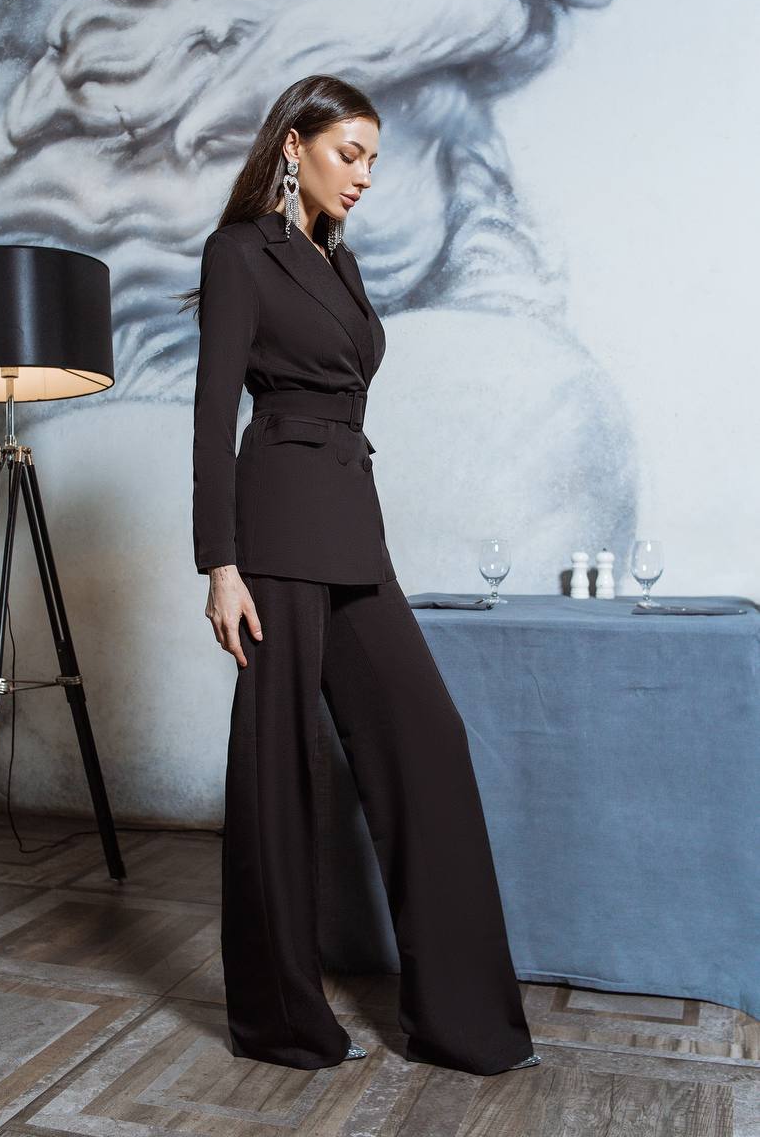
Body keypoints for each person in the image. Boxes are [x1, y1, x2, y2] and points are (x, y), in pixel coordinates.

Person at [181, 73, 540, 1076]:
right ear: (292, 146)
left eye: (373, 159)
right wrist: (219, 563)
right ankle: (283, 1021)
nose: (365, 175)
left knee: (427, 739)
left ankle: (461, 1019)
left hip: (349, 524)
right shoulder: (237, 253)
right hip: (273, 534)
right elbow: (212, 415)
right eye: (350, 153)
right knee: (279, 774)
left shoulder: (337, 259)